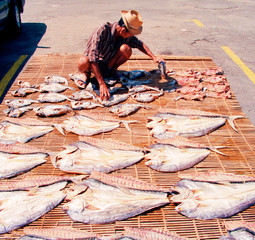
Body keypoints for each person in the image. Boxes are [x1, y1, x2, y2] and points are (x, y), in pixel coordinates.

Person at [78, 9, 164, 100]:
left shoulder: (125, 34)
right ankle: (86, 75)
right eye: (130, 34)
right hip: (93, 65)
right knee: (83, 61)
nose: (131, 37)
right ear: (123, 30)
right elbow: (92, 57)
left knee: (126, 49)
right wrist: (101, 83)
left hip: (109, 63)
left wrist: (154, 57)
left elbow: (139, 44)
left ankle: (111, 71)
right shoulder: (102, 30)